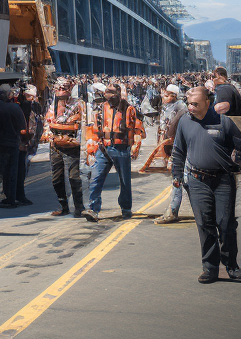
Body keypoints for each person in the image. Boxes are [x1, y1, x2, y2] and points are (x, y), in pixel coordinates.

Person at [171, 86, 241, 283]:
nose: (190, 107)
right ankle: (210, 267)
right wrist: (177, 175)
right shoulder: (185, 121)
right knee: (205, 224)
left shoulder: (224, 122)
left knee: (226, 224)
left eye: (195, 104)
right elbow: (178, 151)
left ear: (207, 104)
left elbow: (240, 144)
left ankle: (231, 266)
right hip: (197, 182)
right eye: (188, 103)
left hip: (223, 182)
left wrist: (238, 164)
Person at [83, 80, 145, 222]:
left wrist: (136, 145)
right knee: (95, 178)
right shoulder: (101, 108)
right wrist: (91, 148)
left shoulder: (129, 109)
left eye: (111, 92)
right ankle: (93, 209)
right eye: (107, 92)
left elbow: (137, 128)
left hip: (121, 149)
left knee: (124, 181)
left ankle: (126, 208)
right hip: (103, 149)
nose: (108, 95)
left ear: (118, 94)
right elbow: (94, 130)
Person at [41, 77, 85, 217]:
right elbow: (47, 123)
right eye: (59, 89)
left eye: (64, 88)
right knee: (56, 179)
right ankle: (64, 206)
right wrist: (49, 136)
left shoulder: (78, 105)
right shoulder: (52, 104)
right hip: (55, 146)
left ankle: (79, 207)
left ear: (70, 89)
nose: (61, 91)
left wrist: (75, 141)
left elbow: (83, 127)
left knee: (74, 177)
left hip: (71, 146)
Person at [0, 83, 27, 208]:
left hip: (2, 142)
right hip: (14, 142)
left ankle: (7, 196)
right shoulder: (15, 108)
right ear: (9, 95)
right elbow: (22, 127)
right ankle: (12, 198)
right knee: (13, 171)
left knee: (4, 172)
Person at [153, 84, 189, 224]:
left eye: (167, 94)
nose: (163, 97)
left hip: (179, 147)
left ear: (173, 95)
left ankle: (173, 211)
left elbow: (174, 128)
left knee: (179, 179)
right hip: (170, 146)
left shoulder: (181, 107)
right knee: (178, 179)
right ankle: (173, 210)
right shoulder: (168, 107)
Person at [15, 84, 41, 206]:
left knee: (21, 170)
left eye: (31, 96)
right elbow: (31, 129)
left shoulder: (33, 108)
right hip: (24, 144)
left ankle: (16, 193)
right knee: (20, 170)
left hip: (27, 144)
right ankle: (18, 194)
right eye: (28, 96)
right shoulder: (26, 108)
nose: (30, 98)